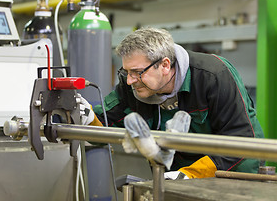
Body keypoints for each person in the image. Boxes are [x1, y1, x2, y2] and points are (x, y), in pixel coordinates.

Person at [81, 27, 264, 179]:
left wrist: (189, 174)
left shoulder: (213, 76)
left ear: (165, 65)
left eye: (137, 72)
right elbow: (103, 125)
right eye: (126, 71)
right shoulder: (134, 85)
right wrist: (86, 117)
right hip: (175, 177)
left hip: (232, 174)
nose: (130, 80)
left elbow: (241, 139)